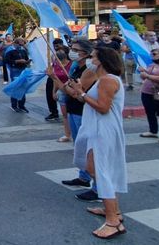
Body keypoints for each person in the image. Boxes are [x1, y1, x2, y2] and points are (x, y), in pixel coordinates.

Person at [66, 47, 127, 240]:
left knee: (102, 172)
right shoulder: (103, 80)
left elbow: (103, 108)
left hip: (105, 130)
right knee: (93, 169)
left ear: (101, 61)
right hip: (97, 129)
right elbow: (90, 101)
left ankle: (113, 222)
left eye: (92, 57)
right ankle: (113, 210)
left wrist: (82, 95)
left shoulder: (108, 80)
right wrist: (80, 92)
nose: (90, 60)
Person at [49, 38, 99, 200]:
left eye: (75, 49)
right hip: (73, 109)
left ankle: (98, 187)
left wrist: (55, 79)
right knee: (79, 145)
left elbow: (75, 92)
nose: (72, 51)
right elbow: (70, 87)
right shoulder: (77, 66)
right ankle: (83, 177)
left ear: (85, 52)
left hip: (82, 111)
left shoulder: (90, 69)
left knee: (88, 148)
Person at [49, 50, 73, 143]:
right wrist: (54, 92)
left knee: (73, 113)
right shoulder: (55, 65)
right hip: (61, 91)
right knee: (65, 114)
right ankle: (67, 134)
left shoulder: (71, 65)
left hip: (70, 89)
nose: (55, 61)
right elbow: (56, 80)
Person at [5, 38, 30, 113]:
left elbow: (26, 58)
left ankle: (22, 105)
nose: (21, 46)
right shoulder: (10, 50)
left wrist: (27, 62)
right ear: (15, 43)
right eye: (20, 44)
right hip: (15, 70)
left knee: (22, 87)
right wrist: (17, 61)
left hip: (23, 70)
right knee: (15, 87)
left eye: (23, 44)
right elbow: (6, 60)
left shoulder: (23, 50)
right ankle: (14, 105)